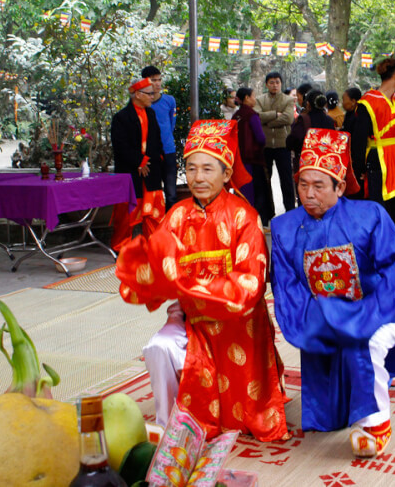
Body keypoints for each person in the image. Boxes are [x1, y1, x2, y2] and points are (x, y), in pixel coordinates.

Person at [115, 119, 289, 441]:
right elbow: (155, 262)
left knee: (243, 414)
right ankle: (172, 425)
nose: (198, 178)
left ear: (226, 173)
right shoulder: (177, 215)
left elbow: (249, 286)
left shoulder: (244, 216)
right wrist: (145, 275)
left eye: (208, 169)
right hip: (191, 319)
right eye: (191, 168)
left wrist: (188, 285)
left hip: (239, 324)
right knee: (158, 348)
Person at [271, 127, 395, 457]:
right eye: (303, 184)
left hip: (377, 311)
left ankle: (375, 424)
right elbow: (287, 287)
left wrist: (365, 316)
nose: (309, 194)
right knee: (324, 345)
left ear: (340, 185)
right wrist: (324, 316)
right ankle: (333, 413)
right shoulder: (284, 227)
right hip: (320, 317)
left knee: (366, 344)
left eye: (319, 186)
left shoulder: (370, 216)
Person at [352, 57, 395, 240]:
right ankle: (380, 254)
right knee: (379, 209)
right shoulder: (368, 102)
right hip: (378, 159)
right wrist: (359, 169)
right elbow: (358, 140)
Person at [109, 77, 165, 251]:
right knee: (128, 214)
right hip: (131, 173)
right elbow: (120, 146)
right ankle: (121, 247)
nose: (153, 97)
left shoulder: (151, 113)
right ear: (138, 95)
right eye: (149, 94)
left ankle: (155, 246)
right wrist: (139, 162)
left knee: (155, 213)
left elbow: (156, 140)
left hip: (151, 171)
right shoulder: (121, 117)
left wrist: (153, 160)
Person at [256, 72, 296, 218]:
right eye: (271, 82)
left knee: (286, 180)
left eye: (277, 82)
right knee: (265, 181)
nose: (274, 85)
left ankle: (290, 212)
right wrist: (275, 114)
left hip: (283, 145)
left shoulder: (288, 100)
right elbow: (256, 116)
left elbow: (288, 118)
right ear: (266, 84)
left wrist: (267, 121)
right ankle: (267, 213)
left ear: (281, 84)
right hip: (265, 146)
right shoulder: (260, 99)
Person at [142, 65, 178, 208]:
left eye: (159, 80)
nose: (157, 83)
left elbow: (171, 123)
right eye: (153, 80)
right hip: (150, 153)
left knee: (171, 193)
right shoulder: (142, 104)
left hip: (168, 150)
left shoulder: (170, 100)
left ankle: (171, 225)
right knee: (153, 192)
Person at [232, 87, 269, 224]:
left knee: (242, 190)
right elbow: (261, 138)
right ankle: (254, 220)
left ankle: (241, 219)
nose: (255, 99)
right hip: (253, 159)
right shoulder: (252, 115)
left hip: (239, 158)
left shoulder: (236, 116)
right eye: (253, 96)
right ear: (247, 98)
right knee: (255, 191)